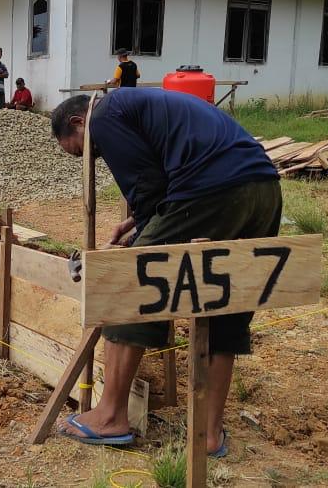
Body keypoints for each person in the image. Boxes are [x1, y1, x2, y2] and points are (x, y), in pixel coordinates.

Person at [48, 88, 280, 457]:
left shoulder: (103, 115)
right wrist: (141, 226)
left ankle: (110, 417)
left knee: (128, 282)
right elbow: (161, 182)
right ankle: (209, 434)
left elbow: (148, 187)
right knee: (223, 299)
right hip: (263, 190)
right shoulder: (139, 106)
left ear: (79, 122)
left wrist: (139, 240)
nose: (94, 155)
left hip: (212, 190)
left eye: (83, 150)